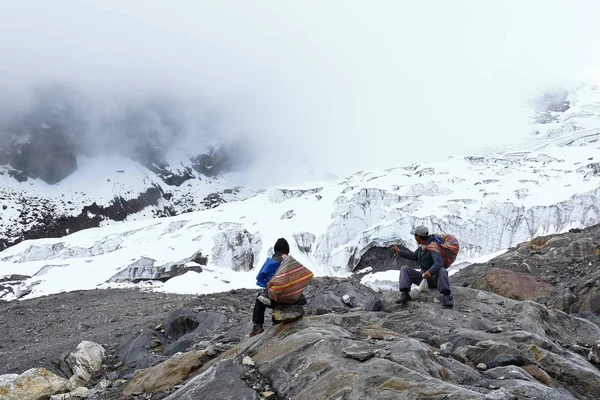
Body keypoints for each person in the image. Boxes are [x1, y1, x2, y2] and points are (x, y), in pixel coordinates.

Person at [250, 238, 307, 337]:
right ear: (287, 250)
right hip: (293, 299)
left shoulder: (271, 262)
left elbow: (261, 279)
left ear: (275, 250)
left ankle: (257, 326)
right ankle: (280, 321)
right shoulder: (291, 262)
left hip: (276, 300)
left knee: (261, 299)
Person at [392, 225, 454, 308]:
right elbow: (414, 256)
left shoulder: (433, 247)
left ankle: (446, 296)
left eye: (415, 236)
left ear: (418, 237)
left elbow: (439, 263)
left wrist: (430, 272)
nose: (415, 238)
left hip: (435, 279)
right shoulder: (422, 247)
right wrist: (399, 252)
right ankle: (405, 294)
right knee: (405, 269)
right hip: (424, 278)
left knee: (442, 270)